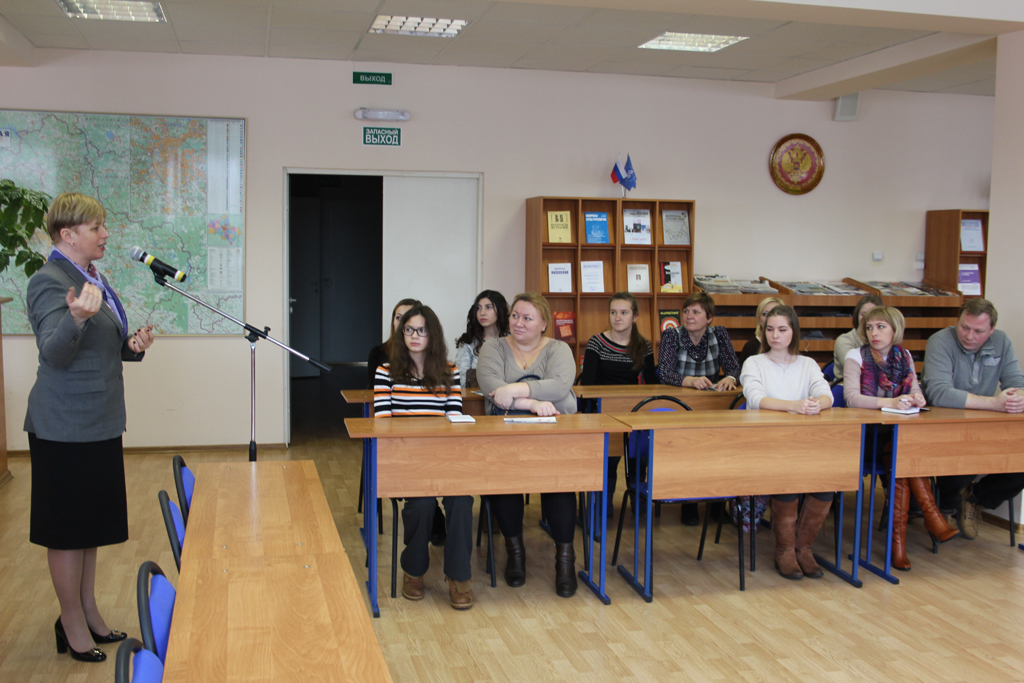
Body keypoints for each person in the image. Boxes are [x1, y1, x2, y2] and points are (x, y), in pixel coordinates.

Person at [25, 192, 155, 662]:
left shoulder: (92, 276)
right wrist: (76, 318)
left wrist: (131, 346)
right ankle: (71, 622)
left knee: (90, 526)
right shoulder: (48, 280)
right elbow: (54, 353)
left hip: (99, 421)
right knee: (67, 530)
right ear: (68, 234)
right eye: (96, 227)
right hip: (64, 426)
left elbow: (102, 344)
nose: (105, 234)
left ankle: (89, 611)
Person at [477, 293, 579, 597]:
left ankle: (565, 561)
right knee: (507, 485)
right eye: (515, 316)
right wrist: (534, 403)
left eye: (527, 318)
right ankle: (515, 554)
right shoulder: (493, 347)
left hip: (554, 434)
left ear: (544, 323)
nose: (518, 323)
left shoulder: (558, 349)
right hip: (506, 435)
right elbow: (491, 388)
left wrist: (514, 390)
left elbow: (560, 386)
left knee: (560, 486)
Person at [372, 304, 474, 609]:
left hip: (442, 458)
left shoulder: (449, 371)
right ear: (401, 333)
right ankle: (413, 571)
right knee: (422, 503)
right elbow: (383, 423)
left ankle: (458, 576)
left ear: (433, 335)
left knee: (462, 500)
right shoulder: (386, 372)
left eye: (422, 330)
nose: (414, 336)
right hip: (405, 460)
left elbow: (454, 419)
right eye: (409, 329)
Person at [843, 306, 958, 570]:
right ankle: (930, 519)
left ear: (895, 329)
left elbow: (916, 389)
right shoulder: (856, 356)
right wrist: (891, 402)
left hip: (898, 437)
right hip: (865, 437)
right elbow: (852, 398)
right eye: (869, 328)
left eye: (881, 327)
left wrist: (917, 398)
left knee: (901, 459)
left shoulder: (903, 356)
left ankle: (900, 544)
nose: (874, 333)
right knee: (902, 456)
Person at [740, 305, 833, 580]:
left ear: (794, 332)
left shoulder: (807, 364)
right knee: (787, 477)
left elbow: (826, 394)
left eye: (782, 329)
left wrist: (818, 405)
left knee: (827, 479)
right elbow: (756, 398)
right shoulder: (754, 362)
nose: (775, 335)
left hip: (802, 443)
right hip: (765, 443)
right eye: (770, 329)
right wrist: (794, 405)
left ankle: (803, 548)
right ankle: (784, 550)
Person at [922, 298, 1024, 539]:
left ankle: (976, 498)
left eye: (978, 331)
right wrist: (993, 403)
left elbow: (1016, 382)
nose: (969, 336)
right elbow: (939, 393)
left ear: (992, 330)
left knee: (1019, 461)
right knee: (965, 456)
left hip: (984, 424)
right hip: (944, 426)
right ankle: (947, 505)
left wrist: (1019, 397)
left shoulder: (1002, 341)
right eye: (964, 327)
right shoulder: (940, 341)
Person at [658, 291, 741, 525]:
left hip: (711, 404)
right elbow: (663, 372)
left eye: (696, 312)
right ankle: (689, 504)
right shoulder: (672, 335)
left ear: (709, 317)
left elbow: (734, 367)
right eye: (686, 311)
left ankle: (716, 506)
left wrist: (730, 378)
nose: (689, 316)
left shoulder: (719, 334)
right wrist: (690, 381)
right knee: (689, 451)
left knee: (717, 452)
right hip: (679, 405)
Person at [579, 292, 657, 514]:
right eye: (613, 312)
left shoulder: (644, 346)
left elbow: (653, 385)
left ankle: (639, 505)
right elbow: (587, 385)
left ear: (635, 316)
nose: (617, 317)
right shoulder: (597, 342)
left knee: (639, 458)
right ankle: (603, 507)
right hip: (603, 411)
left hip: (633, 412)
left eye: (624, 312)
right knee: (610, 459)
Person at [454, 290, 509, 389]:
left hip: (508, 394)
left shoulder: (512, 339)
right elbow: (461, 381)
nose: (482, 313)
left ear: (500, 310)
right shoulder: (469, 342)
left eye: (488, 307)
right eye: (478, 308)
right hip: (474, 396)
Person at [366, 298, 420, 389]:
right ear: (393, 321)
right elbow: (375, 388)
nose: (402, 322)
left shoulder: (425, 354)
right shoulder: (377, 353)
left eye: (408, 318)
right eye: (398, 318)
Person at [832, 293, 883, 383]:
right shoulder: (844, 340)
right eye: (864, 314)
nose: (867, 318)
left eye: (872, 314)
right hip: (848, 386)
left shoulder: (885, 340)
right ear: (857, 316)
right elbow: (857, 370)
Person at [737, 296, 785, 368]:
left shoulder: (788, 344)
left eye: (776, 313)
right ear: (759, 319)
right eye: (765, 314)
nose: (770, 318)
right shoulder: (751, 346)